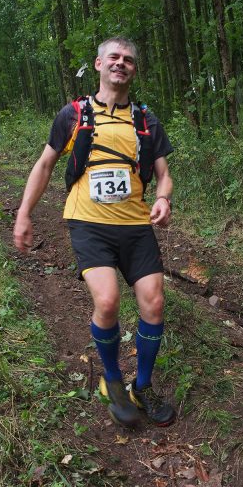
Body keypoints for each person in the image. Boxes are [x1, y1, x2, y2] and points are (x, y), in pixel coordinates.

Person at [13, 36, 175, 428]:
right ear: (99, 64)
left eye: (129, 60)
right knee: (107, 302)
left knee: (153, 303)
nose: (121, 64)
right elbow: (46, 165)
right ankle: (113, 379)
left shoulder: (146, 121)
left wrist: (165, 200)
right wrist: (24, 214)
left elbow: (164, 174)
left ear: (134, 70)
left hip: (136, 225)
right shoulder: (73, 114)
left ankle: (143, 386)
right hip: (89, 223)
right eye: (114, 58)